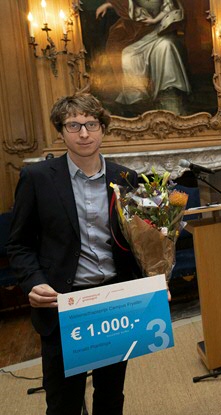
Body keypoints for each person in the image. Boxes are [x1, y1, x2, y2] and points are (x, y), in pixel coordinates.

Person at [7, 93, 140, 415]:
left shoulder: (125, 178)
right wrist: (33, 282)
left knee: (111, 394)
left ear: (103, 128)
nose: (84, 133)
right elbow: (18, 244)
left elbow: (140, 243)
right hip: (64, 302)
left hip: (113, 300)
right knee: (64, 399)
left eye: (91, 124)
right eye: (74, 125)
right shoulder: (37, 178)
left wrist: (153, 281)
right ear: (61, 131)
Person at [96, 0, 191, 114]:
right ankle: (137, 97)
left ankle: (168, 93)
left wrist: (154, 20)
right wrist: (108, 4)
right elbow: (125, 3)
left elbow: (169, 8)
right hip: (141, 33)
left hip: (160, 31)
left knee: (165, 47)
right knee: (128, 54)